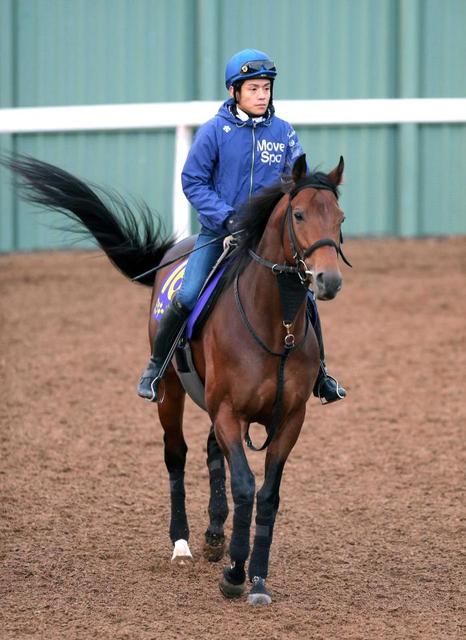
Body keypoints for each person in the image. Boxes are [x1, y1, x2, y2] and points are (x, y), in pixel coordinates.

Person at [138, 48, 346, 404]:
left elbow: (297, 184)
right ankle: (156, 367)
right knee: (187, 295)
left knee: (305, 297)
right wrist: (226, 217)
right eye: (253, 88)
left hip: (268, 239)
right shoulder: (214, 132)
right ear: (235, 92)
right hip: (219, 233)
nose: (261, 95)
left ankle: (321, 374)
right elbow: (193, 180)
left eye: (266, 88)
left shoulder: (284, 132)